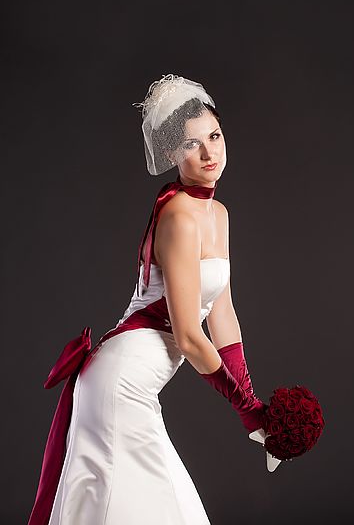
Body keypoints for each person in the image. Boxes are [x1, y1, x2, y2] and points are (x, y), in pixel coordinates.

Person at [28, 74, 267, 525]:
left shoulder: (217, 213)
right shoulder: (178, 215)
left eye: (214, 136)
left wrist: (252, 400)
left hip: (134, 381)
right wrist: (245, 409)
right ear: (173, 154)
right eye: (193, 144)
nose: (209, 152)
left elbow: (223, 313)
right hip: (121, 384)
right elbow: (190, 336)